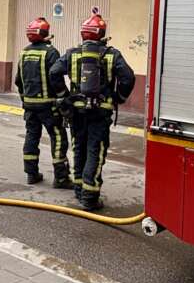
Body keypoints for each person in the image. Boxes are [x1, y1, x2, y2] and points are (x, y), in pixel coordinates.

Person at [51, 11, 136, 211]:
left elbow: (54, 72)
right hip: (100, 112)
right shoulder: (111, 54)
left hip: (76, 112)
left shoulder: (72, 53)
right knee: (95, 151)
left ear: (83, 34)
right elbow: (128, 77)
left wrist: (64, 96)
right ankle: (90, 197)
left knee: (78, 148)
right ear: (102, 33)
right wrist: (118, 98)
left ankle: (80, 190)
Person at [14, 17, 71, 188]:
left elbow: (19, 81)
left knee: (32, 136)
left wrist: (25, 99)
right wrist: (63, 96)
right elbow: (56, 77)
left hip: (30, 106)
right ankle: (61, 178)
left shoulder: (24, 52)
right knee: (59, 137)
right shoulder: (51, 52)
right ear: (46, 33)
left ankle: (31, 174)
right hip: (49, 107)